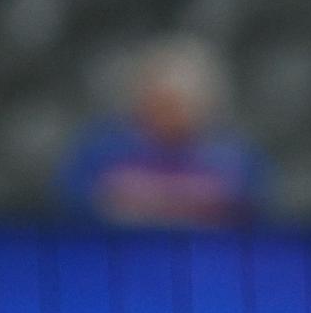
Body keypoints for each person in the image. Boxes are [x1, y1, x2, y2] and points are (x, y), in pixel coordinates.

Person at [57, 35, 271, 228]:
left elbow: (257, 212)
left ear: (207, 103)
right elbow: (73, 207)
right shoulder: (101, 153)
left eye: (179, 103)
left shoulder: (236, 158)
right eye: (160, 101)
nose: (168, 113)